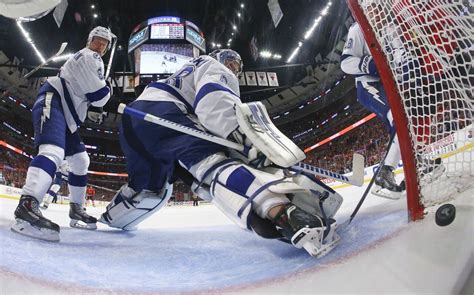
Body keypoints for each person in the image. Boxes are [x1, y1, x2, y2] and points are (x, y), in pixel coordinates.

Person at [99, 49, 342, 258]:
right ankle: (285, 214)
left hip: (133, 121)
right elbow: (213, 101)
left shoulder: (187, 71)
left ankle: (112, 216)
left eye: (236, 65)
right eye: (230, 61)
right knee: (210, 165)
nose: (233, 68)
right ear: (219, 58)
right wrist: (241, 137)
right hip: (164, 112)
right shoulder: (213, 65)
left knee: (148, 190)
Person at [11, 26, 115, 242]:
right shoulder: (89, 56)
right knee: (53, 152)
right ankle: (27, 205)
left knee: (79, 160)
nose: (101, 45)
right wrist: (108, 89)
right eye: (98, 40)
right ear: (90, 40)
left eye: (105, 43)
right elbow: (99, 96)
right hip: (55, 101)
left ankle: (76, 210)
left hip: (67, 115)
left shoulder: (91, 58)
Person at [341, 12, 406, 199]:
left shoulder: (391, 28)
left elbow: (399, 54)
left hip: (390, 85)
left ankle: (416, 164)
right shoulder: (357, 29)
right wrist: (368, 64)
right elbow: (346, 63)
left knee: (403, 123)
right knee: (398, 116)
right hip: (369, 84)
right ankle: (384, 173)